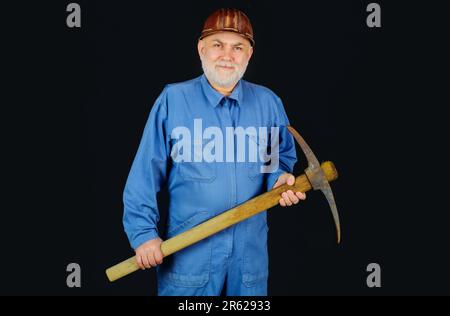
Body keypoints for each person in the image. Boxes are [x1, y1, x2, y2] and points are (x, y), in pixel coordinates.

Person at [123, 8, 306, 296]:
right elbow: (143, 177)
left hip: (249, 260)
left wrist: (279, 180)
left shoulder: (268, 104)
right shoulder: (173, 101)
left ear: (249, 54)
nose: (227, 55)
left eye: (238, 47)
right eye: (217, 45)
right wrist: (144, 235)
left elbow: (277, 162)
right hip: (188, 261)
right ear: (201, 49)